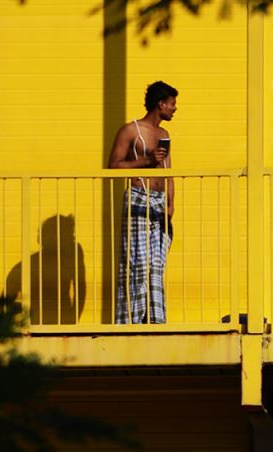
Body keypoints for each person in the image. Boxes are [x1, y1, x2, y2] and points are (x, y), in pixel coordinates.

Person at [108, 80, 177, 323]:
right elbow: (113, 166)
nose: (174, 108)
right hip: (138, 199)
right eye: (172, 104)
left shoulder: (164, 135)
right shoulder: (130, 130)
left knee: (156, 266)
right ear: (161, 104)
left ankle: (156, 321)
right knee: (137, 265)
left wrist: (171, 201)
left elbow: (168, 170)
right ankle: (129, 322)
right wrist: (146, 161)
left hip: (159, 205)